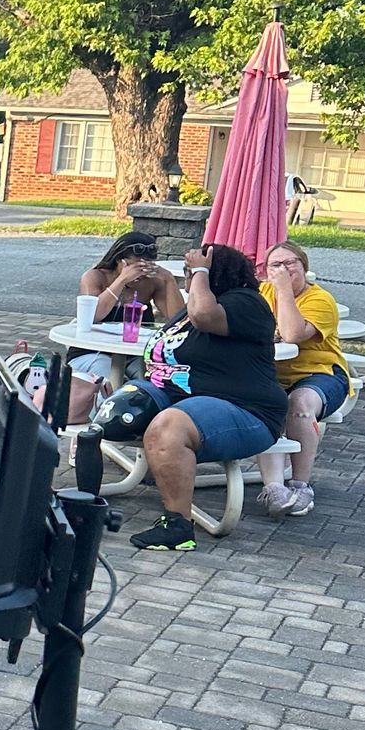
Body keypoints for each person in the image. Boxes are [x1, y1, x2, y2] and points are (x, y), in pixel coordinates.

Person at [131, 242, 285, 555]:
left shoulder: (246, 303)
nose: (189, 279)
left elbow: (203, 315)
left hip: (247, 411)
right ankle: (83, 503)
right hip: (191, 402)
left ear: (214, 273)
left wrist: (200, 270)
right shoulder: (191, 309)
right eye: (189, 273)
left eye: (193, 272)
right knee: (114, 409)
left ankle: (178, 528)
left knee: (168, 428)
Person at [257, 240, 350, 517]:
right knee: (265, 400)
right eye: (276, 265)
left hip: (320, 373)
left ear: (304, 266)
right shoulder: (261, 293)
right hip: (273, 373)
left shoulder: (320, 300)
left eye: (290, 263)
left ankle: (301, 485)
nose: (283, 269)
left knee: (298, 404)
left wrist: (284, 291)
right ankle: (274, 488)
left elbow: (292, 335)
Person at [65, 230, 186, 423]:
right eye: (133, 266)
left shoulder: (151, 283)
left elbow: (178, 320)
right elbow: (93, 315)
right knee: (108, 384)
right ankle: (103, 426)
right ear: (119, 261)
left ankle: (142, 426)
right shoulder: (95, 277)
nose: (139, 275)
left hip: (134, 353)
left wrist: (169, 280)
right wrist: (122, 280)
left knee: (151, 383)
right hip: (92, 352)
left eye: (145, 268)